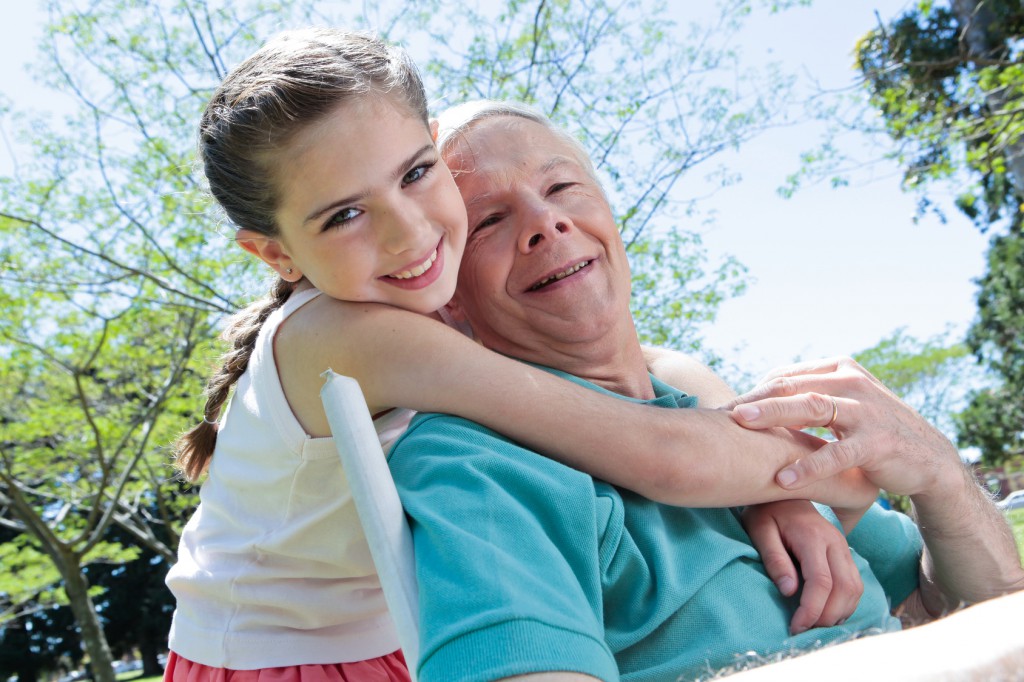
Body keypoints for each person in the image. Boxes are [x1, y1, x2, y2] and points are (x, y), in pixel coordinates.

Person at [164, 28, 877, 682]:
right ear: (276, 252)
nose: (408, 231)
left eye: (415, 174)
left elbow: (663, 372)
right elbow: (662, 451)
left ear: (437, 147)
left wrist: (766, 498)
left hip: (411, 620)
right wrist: (829, 473)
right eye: (345, 214)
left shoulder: (430, 302)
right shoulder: (348, 334)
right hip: (273, 660)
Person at [384, 100, 1024, 681]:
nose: (545, 223)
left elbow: (954, 602)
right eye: (490, 219)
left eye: (561, 187)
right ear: (447, 303)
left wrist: (939, 474)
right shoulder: (474, 460)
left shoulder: (742, 432)